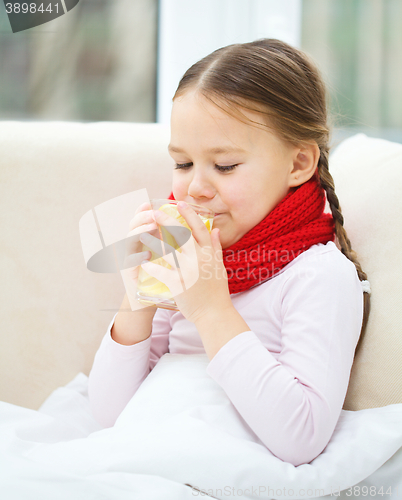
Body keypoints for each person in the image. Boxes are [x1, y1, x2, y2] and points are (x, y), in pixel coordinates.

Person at [88, 38, 371, 466]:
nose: (196, 187)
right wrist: (138, 298)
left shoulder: (318, 275)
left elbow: (302, 437)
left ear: (297, 164)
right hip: (147, 461)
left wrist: (210, 311)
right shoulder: (185, 256)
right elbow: (110, 418)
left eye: (224, 166)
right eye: (183, 164)